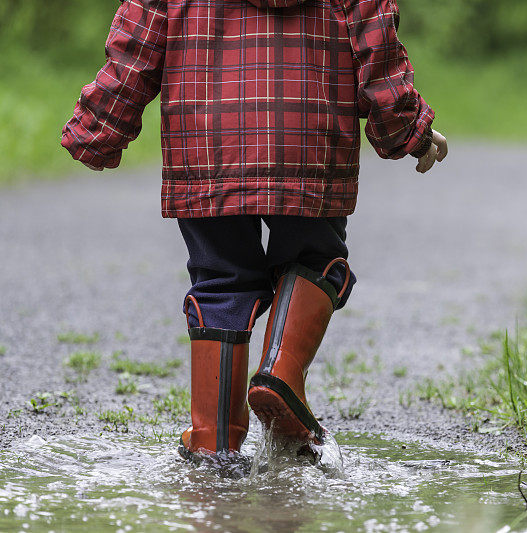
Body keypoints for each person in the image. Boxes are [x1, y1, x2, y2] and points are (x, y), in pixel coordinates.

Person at [61, 0, 448, 459]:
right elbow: (376, 44)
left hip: (205, 142)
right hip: (308, 135)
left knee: (220, 277)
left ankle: (214, 439)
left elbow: (137, 43)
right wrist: (408, 127)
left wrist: (98, 128)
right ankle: (281, 372)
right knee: (313, 257)